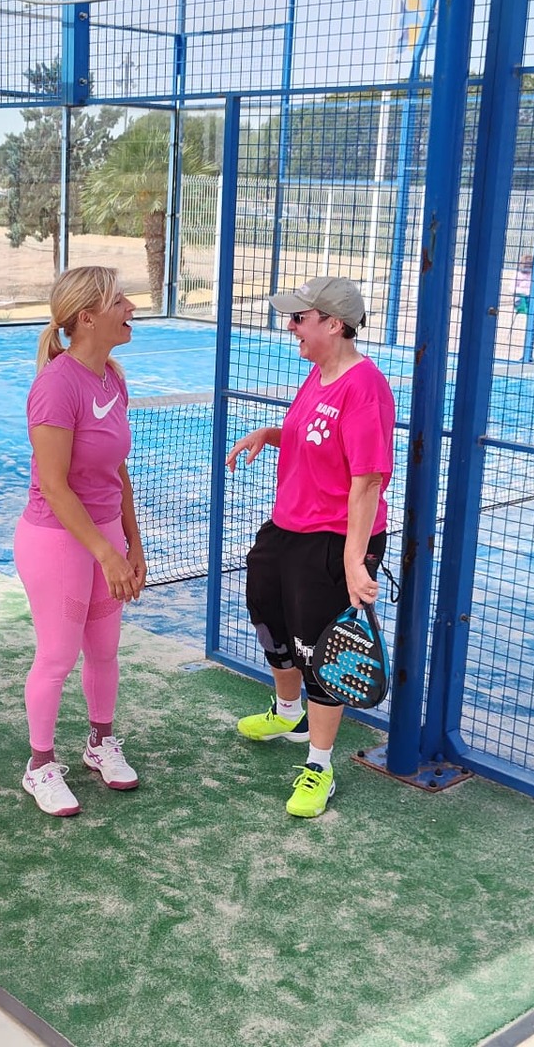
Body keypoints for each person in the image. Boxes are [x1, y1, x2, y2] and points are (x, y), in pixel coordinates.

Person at [229, 277, 395, 819]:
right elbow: (316, 436)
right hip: (287, 529)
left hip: (334, 540)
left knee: (321, 650)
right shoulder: (318, 374)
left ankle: (320, 766)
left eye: (300, 318)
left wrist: (353, 560)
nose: (291, 327)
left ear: (335, 324)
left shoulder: (365, 387)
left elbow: (367, 480)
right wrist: (270, 434)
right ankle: (287, 713)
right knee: (267, 618)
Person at [14, 265, 145, 816]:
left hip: (104, 536)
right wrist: (106, 553)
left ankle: (100, 744)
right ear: (87, 317)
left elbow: (116, 470)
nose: (131, 308)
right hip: (56, 540)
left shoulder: (112, 376)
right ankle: (40, 766)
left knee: (105, 650)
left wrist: (132, 543)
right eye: (120, 301)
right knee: (57, 656)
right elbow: (54, 485)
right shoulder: (56, 385)